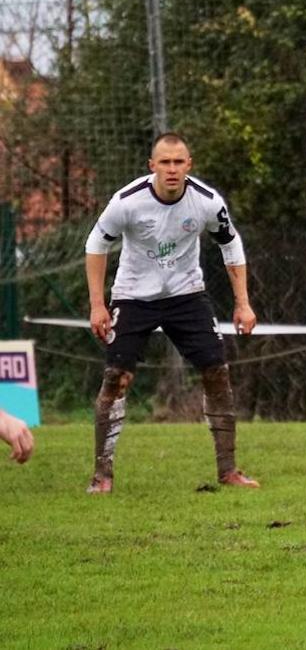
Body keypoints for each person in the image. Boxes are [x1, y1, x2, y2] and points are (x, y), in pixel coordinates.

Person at [83, 132, 259, 494]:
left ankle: (228, 470)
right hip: (133, 297)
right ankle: (102, 476)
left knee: (217, 371)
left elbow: (231, 243)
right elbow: (96, 243)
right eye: (165, 162)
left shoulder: (207, 202)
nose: (172, 169)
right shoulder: (127, 202)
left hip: (186, 295)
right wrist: (98, 304)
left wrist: (243, 302)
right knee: (117, 378)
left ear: (189, 165)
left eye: (179, 162)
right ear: (152, 166)